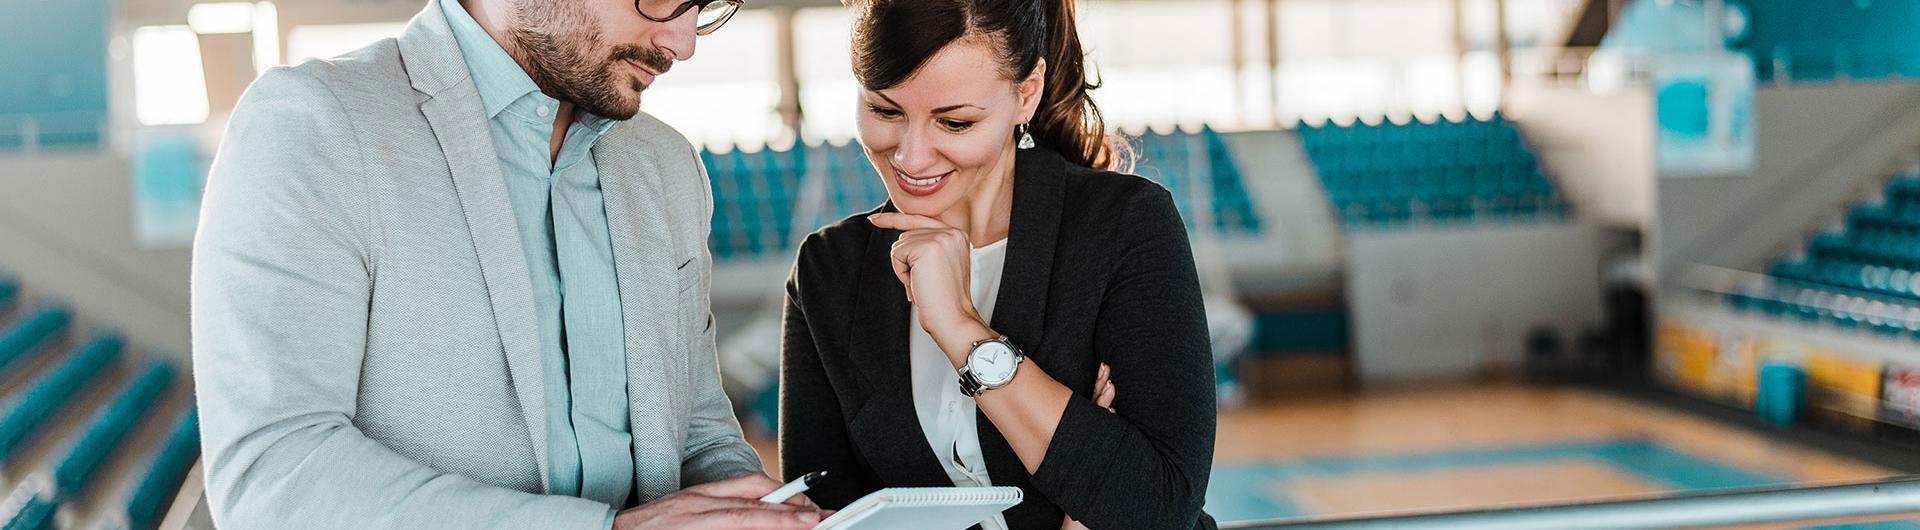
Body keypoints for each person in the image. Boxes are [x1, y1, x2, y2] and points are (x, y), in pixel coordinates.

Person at [190, 0, 827, 528]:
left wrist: (763, 512)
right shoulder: (314, 125)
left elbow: (694, 432)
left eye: (702, 6)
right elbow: (272, 475)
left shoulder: (666, 164)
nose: (683, 41)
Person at [777, 0, 1219, 528]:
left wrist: (963, 331)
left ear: (1025, 95)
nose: (910, 157)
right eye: (885, 111)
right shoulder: (828, 271)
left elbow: (1159, 505)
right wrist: (1083, 469)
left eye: (955, 122)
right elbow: (824, 515)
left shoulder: (1123, 227)